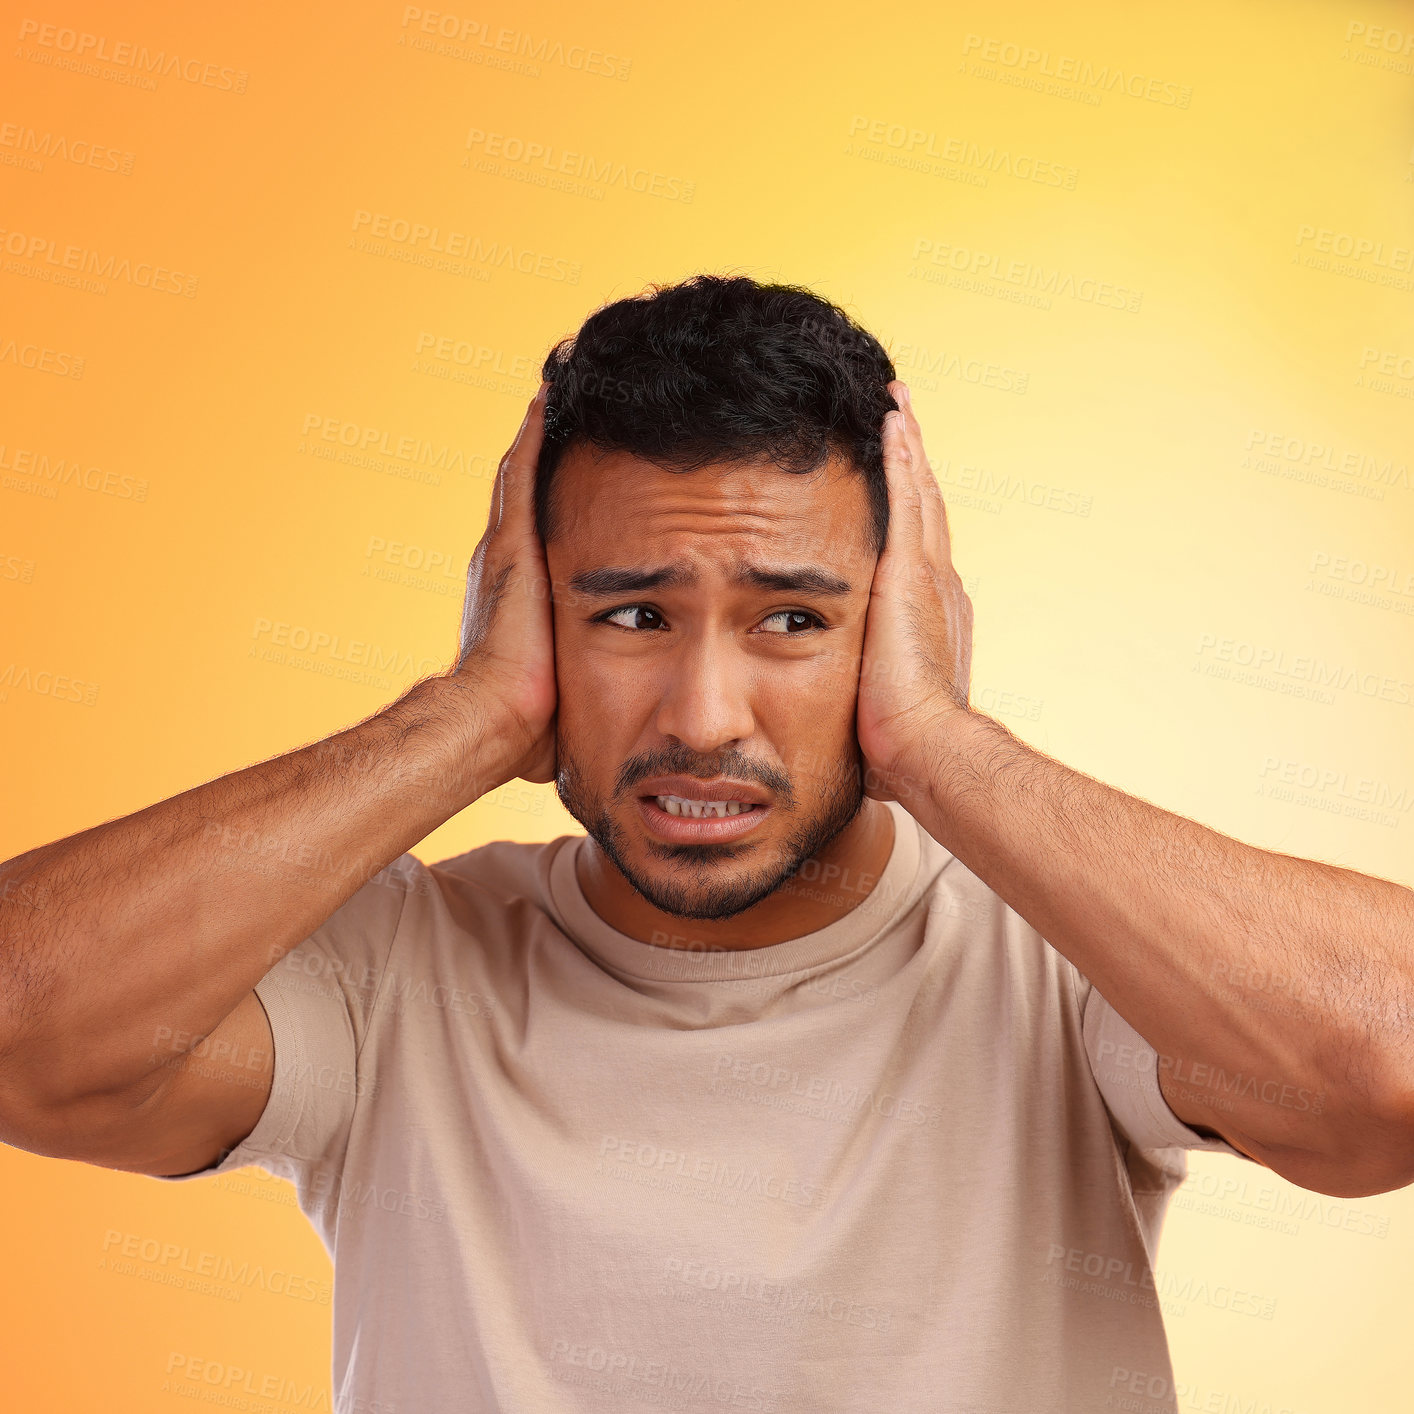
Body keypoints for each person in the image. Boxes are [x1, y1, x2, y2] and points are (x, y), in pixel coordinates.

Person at [1, 274, 1411, 1414]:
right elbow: (25, 1031)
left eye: (793, 617)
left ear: (903, 618)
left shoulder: (1065, 956)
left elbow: (1387, 1074)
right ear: (529, 609)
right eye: (628, 614)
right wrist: (465, 714)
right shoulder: (392, 974)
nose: (702, 712)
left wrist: (943, 745)